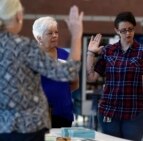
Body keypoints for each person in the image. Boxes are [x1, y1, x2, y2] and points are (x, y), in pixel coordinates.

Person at [0, 0, 83, 140]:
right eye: (50, 33)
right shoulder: (25, 47)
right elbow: (69, 72)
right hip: (30, 126)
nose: (55, 36)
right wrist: (76, 36)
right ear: (19, 16)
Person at [86, 11, 143, 141]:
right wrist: (90, 53)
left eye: (130, 29)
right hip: (109, 111)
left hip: (135, 113)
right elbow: (92, 77)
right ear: (117, 31)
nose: (128, 33)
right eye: (123, 30)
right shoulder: (108, 50)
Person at [32, 16, 79, 128]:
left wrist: (60, 91)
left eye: (56, 32)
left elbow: (75, 83)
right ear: (39, 38)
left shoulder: (66, 55)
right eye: (49, 33)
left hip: (63, 112)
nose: (54, 36)